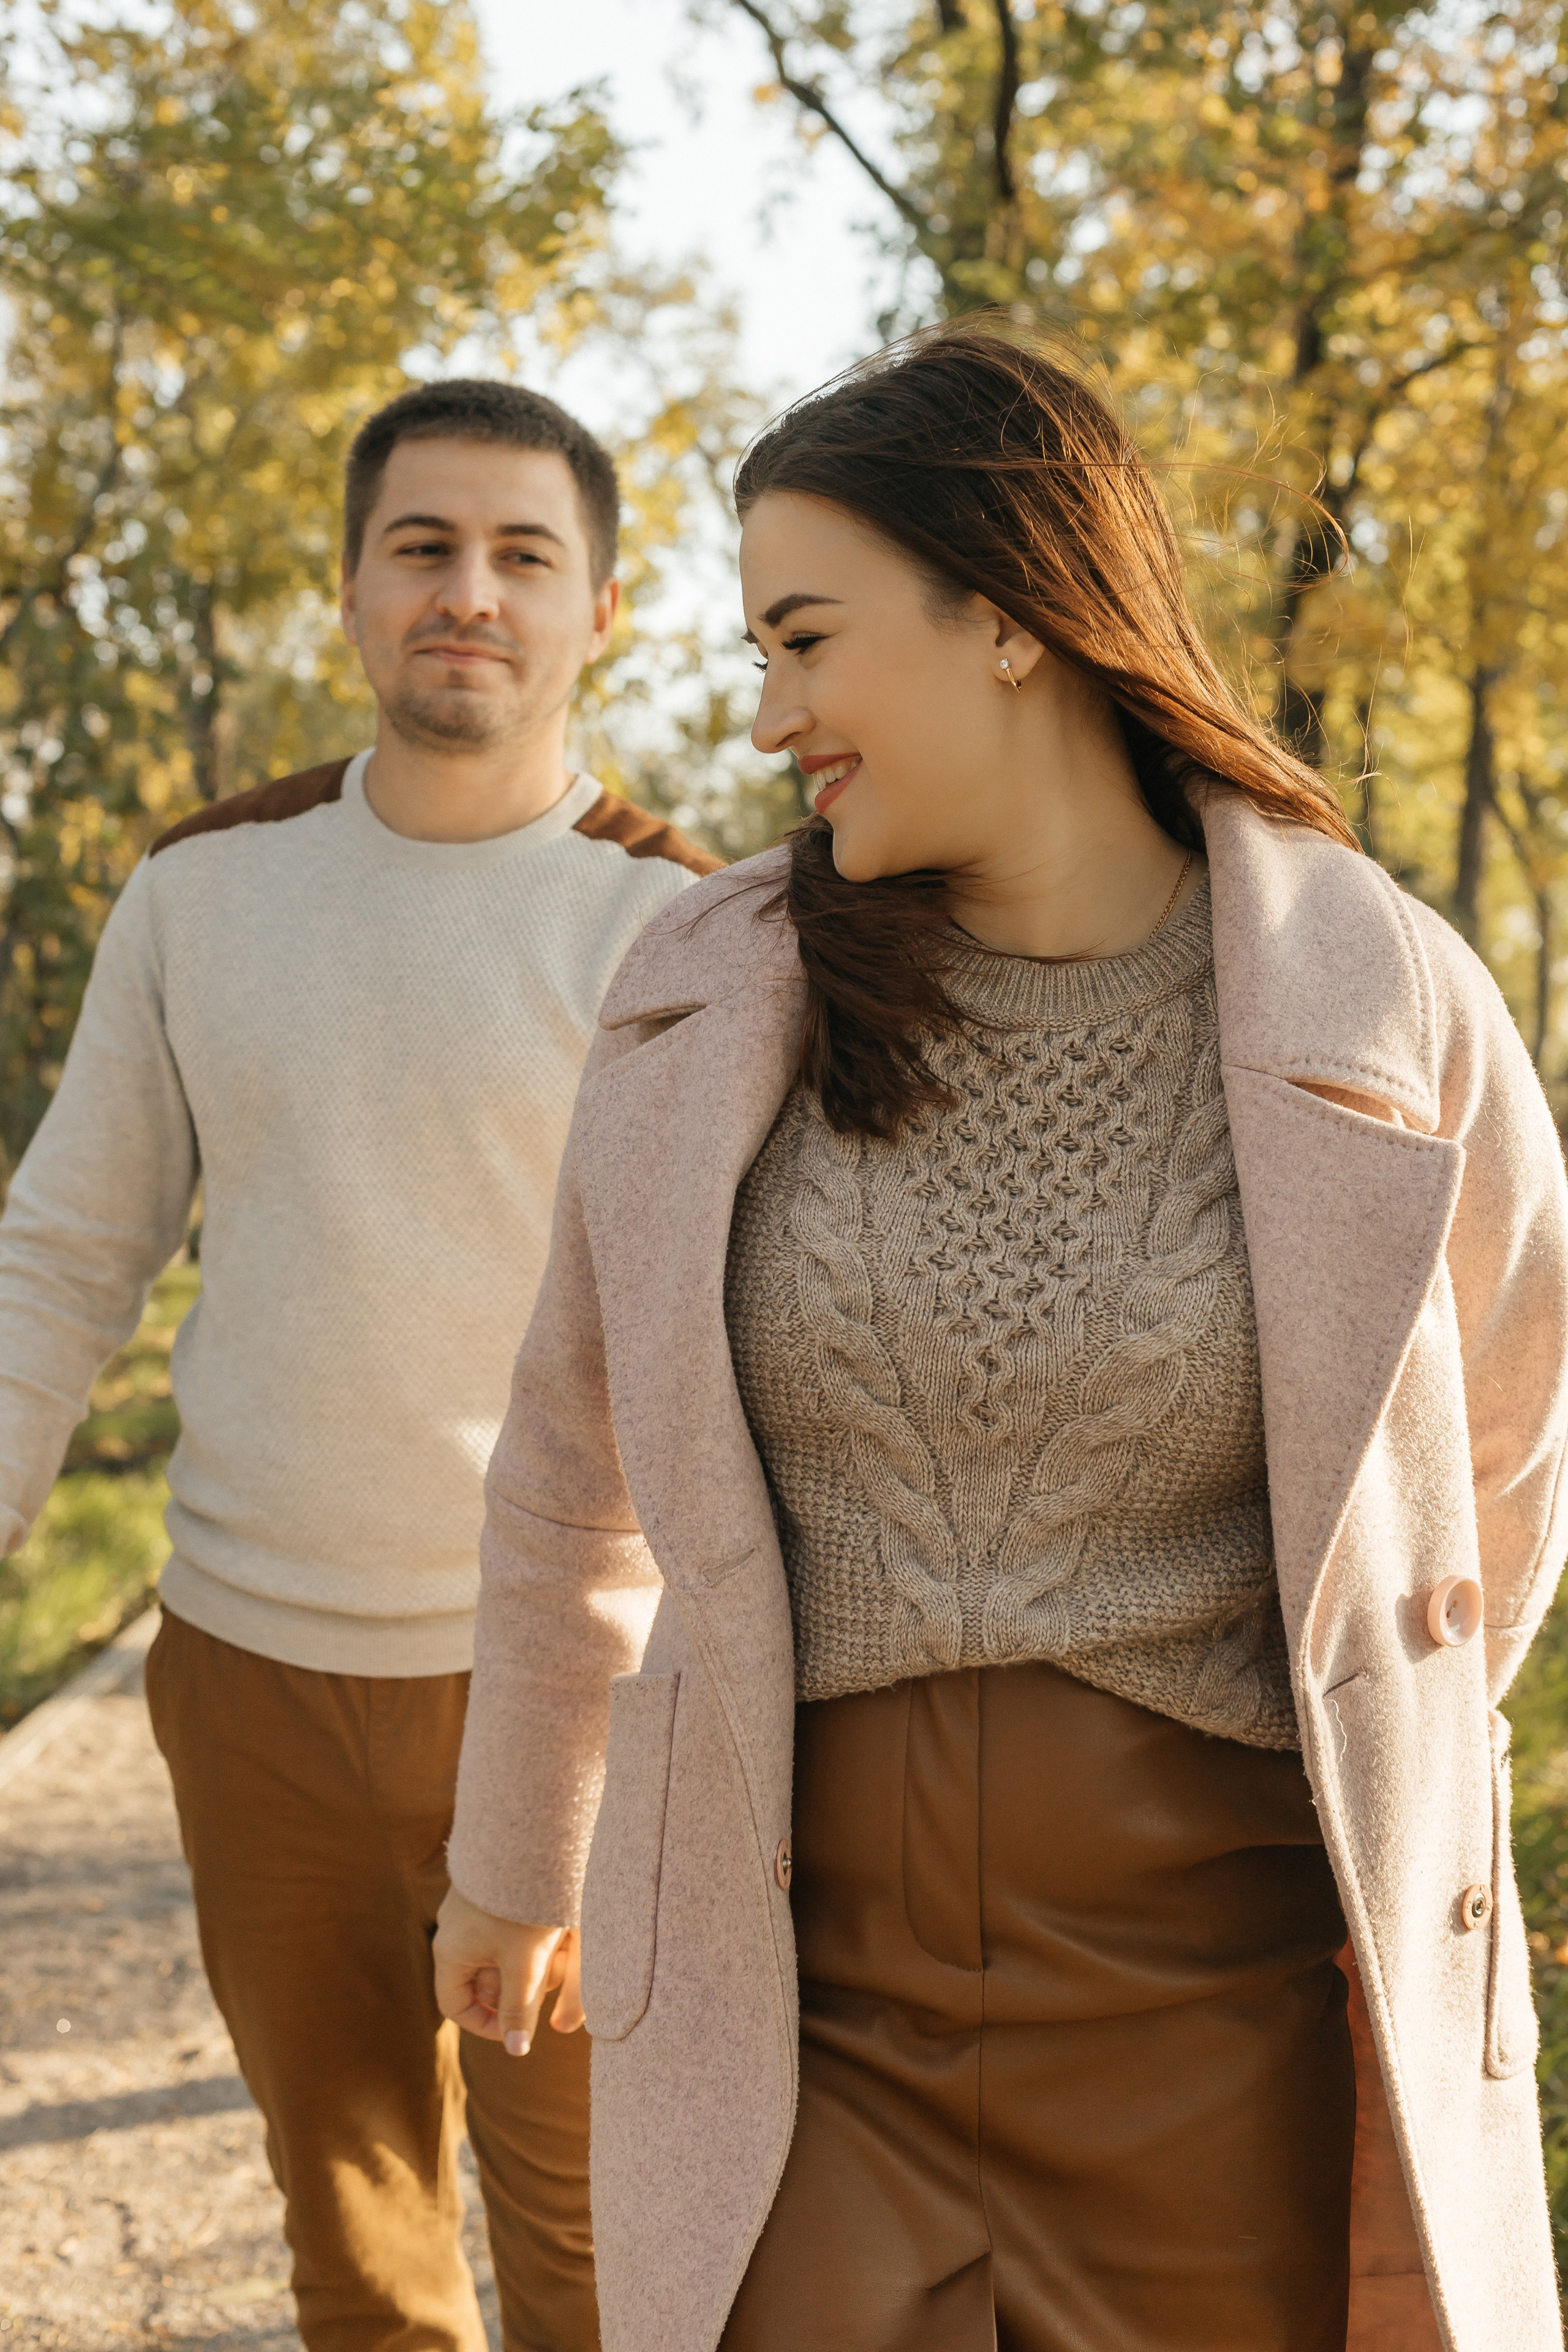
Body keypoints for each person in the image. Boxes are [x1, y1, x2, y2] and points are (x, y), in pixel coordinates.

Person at [433, 321, 1568, 2352]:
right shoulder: (712, 999)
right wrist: (515, 1863)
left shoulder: (1388, 997)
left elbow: (1502, 1466)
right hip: (798, 2031)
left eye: (806, 639)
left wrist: (1402, 1767)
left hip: (1211, 2039)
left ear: (1011, 615)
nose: (768, 715)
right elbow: (565, 1479)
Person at [0, 377, 717, 2352]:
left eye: (521, 555)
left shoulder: (685, 928)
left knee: (605, 2254)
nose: (468, 591)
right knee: (355, 2236)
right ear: (350, 589)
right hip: (255, 1677)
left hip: (572, 1693)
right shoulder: (203, 891)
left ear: (599, 610)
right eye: (423, 546)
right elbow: (67, 1248)